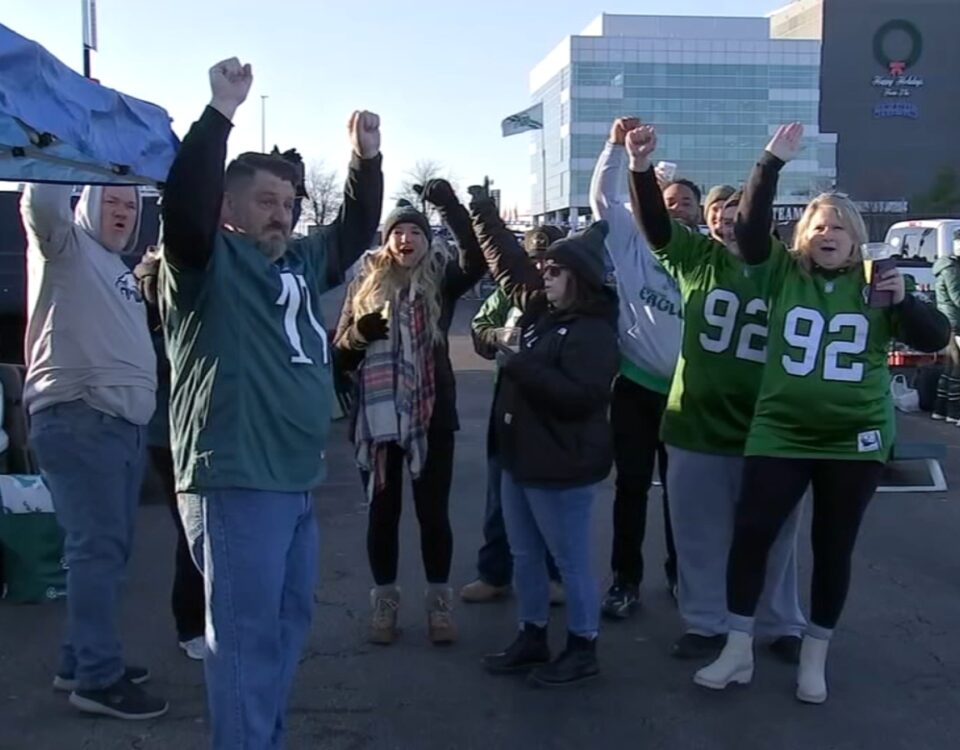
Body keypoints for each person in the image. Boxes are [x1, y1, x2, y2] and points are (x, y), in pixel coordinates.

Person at [160, 58, 383, 748]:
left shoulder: (296, 260)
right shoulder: (201, 263)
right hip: (236, 476)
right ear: (228, 210)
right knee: (245, 639)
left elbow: (348, 235)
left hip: (294, 480)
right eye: (265, 201)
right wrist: (220, 113)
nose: (281, 213)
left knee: (285, 630)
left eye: (288, 203)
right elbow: (184, 209)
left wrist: (365, 160)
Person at [693, 123, 949, 704]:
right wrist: (770, 163)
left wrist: (904, 299)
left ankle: (815, 655)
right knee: (752, 533)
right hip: (781, 429)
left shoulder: (878, 282)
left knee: (833, 546)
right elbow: (753, 230)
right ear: (802, 237)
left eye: (838, 226)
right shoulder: (784, 274)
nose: (827, 233)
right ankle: (737, 649)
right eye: (817, 226)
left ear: (857, 238)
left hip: (852, 437)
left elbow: (936, 337)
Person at [624, 122, 807, 663]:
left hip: (768, 422)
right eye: (719, 216)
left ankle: (779, 623)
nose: (728, 223)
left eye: (738, 215)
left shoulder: (778, 267)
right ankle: (705, 621)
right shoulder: (695, 260)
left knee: (775, 535)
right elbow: (655, 225)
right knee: (699, 533)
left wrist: (769, 164)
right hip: (698, 419)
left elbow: (756, 229)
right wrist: (638, 169)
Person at [21, 180, 165, 719]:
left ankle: (78, 661)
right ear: (86, 205)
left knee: (107, 551)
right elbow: (42, 203)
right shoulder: (64, 246)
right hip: (82, 418)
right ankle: (98, 680)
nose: (123, 213)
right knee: (96, 551)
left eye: (131, 205)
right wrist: (59, 146)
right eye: (112, 202)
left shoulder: (117, 269)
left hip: (117, 428)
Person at [470, 189, 619, 687]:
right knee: (525, 555)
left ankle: (583, 645)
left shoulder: (594, 330)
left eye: (554, 271)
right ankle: (531, 635)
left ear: (576, 277)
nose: (544, 276)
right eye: (545, 270)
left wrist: (523, 365)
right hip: (520, 459)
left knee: (572, 561)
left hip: (562, 466)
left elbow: (582, 397)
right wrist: (480, 212)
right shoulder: (541, 312)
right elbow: (508, 263)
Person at [335, 180, 485, 645]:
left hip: (430, 417)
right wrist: (359, 334)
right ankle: (385, 601)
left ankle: (439, 604)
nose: (407, 239)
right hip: (378, 422)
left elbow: (476, 259)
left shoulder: (441, 281)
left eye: (415, 233)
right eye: (398, 233)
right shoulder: (364, 285)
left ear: (426, 240)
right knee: (383, 513)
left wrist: (450, 206)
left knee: (432, 514)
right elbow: (340, 354)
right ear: (387, 241)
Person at [590, 118, 682, 619]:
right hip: (637, 386)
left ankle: (681, 573)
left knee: (682, 492)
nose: (675, 209)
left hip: (687, 395)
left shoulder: (701, 254)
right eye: (666, 200)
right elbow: (603, 199)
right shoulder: (630, 241)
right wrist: (613, 149)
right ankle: (626, 579)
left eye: (685, 203)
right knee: (631, 486)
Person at [460, 226, 565, 605]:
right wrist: (499, 337)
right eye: (534, 259)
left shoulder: (571, 294)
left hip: (554, 412)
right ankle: (494, 574)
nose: (540, 268)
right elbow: (479, 327)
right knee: (499, 495)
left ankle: (554, 575)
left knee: (552, 499)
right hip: (508, 405)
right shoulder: (509, 291)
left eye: (548, 260)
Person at [133, 246, 205, 661]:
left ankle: (205, 619)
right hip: (169, 430)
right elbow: (153, 356)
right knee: (191, 529)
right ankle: (191, 625)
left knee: (205, 531)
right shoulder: (150, 287)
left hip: (201, 426)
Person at [931, 251, 960, 422]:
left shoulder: (947, 267)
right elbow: (957, 296)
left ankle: (940, 409)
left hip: (949, 321)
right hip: (955, 323)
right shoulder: (951, 269)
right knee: (957, 367)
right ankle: (954, 412)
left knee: (950, 367)